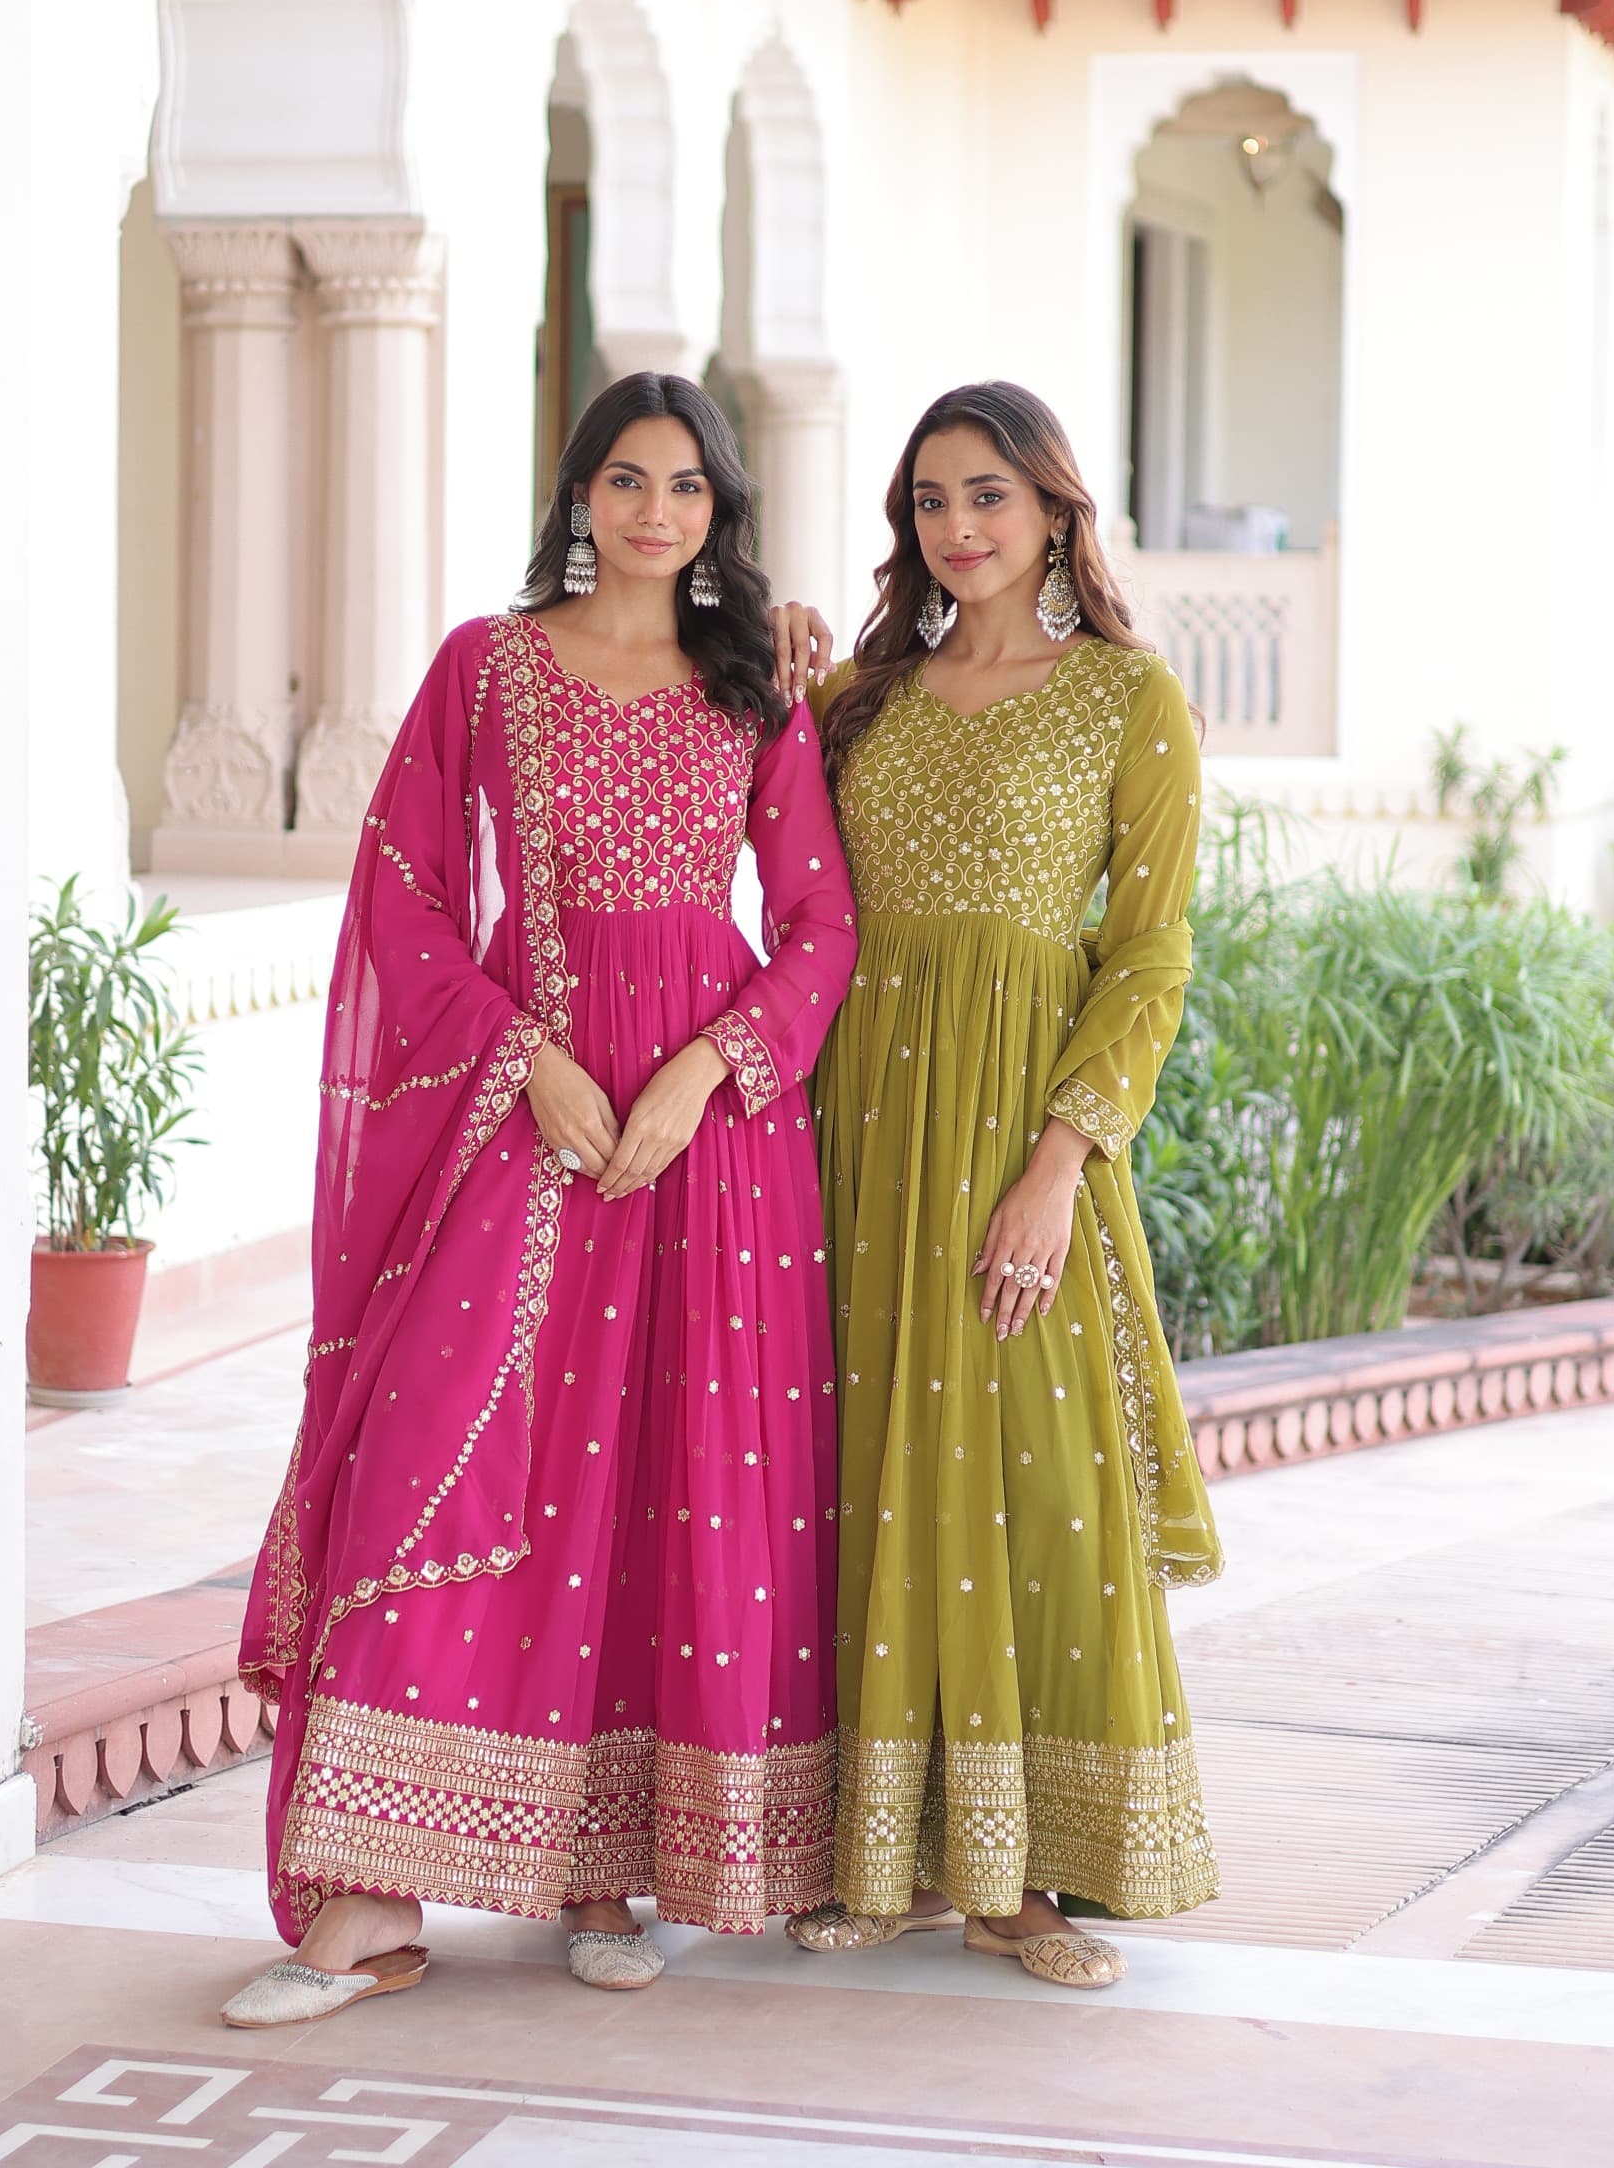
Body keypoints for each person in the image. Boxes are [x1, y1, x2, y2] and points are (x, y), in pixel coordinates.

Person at [225, 374, 857, 2026]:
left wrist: (706, 1071)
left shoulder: (754, 685)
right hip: (529, 1119)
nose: (654, 511)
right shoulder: (486, 666)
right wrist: (529, 1062)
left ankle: (606, 1870)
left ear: (719, 509)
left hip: (708, 1147)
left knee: (661, 1480)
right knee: (429, 1462)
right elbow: (406, 895)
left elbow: (819, 930)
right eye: (624, 480)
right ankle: (368, 1902)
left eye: (686, 486)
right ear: (578, 496)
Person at [779, 381, 1223, 1989]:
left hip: (1019, 1134)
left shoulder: (1127, 697)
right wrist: (769, 655)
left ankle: (1021, 1877)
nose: (956, 527)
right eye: (928, 501)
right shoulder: (855, 697)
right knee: (862, 1469)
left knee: (1032, 1481)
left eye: (986, 496)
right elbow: (779, 875)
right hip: (851, 1131)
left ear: (1051, 510)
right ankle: (884, 1860)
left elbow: (1149, 954)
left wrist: (1058, 1164)